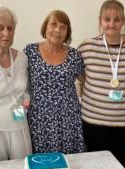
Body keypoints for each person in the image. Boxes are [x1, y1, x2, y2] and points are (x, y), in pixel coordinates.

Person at [77, 0, 125, 169]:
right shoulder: (87, 46)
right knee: (95, 164)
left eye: (117, 19)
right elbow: (81, 77)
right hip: (94, 121)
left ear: (123, 22)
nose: (112, 24)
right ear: (100, 21)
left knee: (123, 165)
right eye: (107, 19)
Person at [23, 10, 86, 154]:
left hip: (68, 118)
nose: (57, 30)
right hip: (39, 118)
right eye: (53, 24)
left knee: (69, 160)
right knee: (42, 162)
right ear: (46, 27)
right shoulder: (30, 51)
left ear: (67, 32)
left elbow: (85, 80)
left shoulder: (74, 55)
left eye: (63, 27)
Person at [0, 5, 32, 161]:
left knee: (22, 168)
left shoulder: (22, 58)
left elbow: (27, 92)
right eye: (0, 28)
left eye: (10, 28)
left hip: (19, 126)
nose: (6, 33)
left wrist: (22, 112)